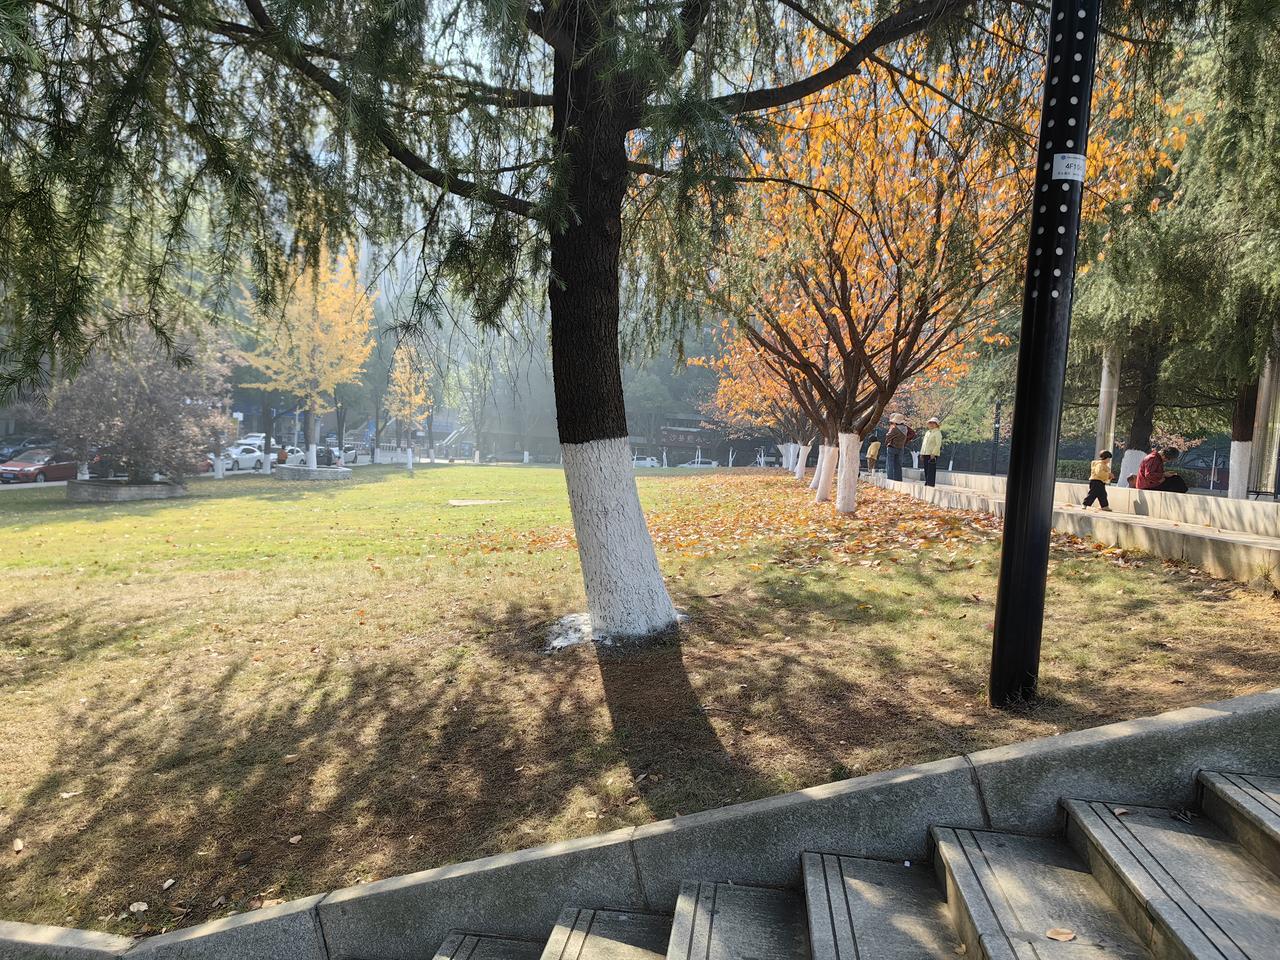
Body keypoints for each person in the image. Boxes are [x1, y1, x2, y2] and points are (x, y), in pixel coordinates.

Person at [884, 414, 915, 481]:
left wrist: (886, 443)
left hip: (892, 447)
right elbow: (912, 434)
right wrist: (906, 441)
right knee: (898, 464)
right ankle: (898, 479)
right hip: (901, 448)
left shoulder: (894, 428)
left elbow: (888, 436)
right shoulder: (905, 428)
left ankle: (890, 479)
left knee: (890, 464)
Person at [920, 417, 942, 486]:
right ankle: (927, 482)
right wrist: (922, 453)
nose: (931, 424)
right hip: (925, 453)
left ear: (937, 424)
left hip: (932, 454)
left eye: (933, 423)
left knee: (931, 470)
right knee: (926, 469)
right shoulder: (927, 432)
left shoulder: (937, 432)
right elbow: (924, 444)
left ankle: (930, 484)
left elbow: (938, 444)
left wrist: (933, 453)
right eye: (930, 423)